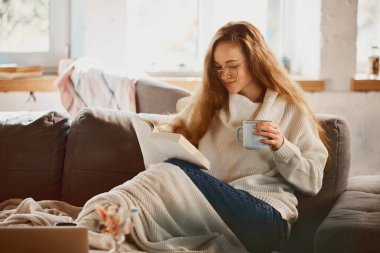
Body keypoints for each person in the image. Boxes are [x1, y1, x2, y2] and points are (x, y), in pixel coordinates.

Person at [162, 21, 329, 252]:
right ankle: (106, 223)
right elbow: (180, 136)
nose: (225, 75)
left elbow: (313, 183)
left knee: (168, 170)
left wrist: (281, 146)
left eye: (232, 66)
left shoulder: (291, 110)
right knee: (167, 171)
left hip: (266, 217)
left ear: (255, 60)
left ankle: (105, 218)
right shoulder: (209, 107)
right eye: (218, 67)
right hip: (214, 214)